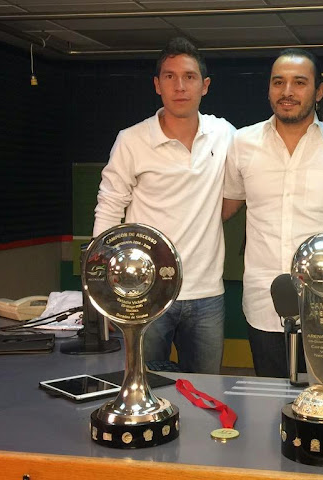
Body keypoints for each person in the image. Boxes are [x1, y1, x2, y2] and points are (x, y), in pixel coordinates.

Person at [93, 37, 235, 374]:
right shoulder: (132, 140)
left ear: (205, 85)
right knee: (144, 386)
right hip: (144, 293)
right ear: (157, 85)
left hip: (206, 294)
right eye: (170, 77)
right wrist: (103, 289)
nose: (179, 86)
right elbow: (109, 208)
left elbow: (241, 187)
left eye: (189, 77)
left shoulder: (225, 134)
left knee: (205, 390)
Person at [222, 48, 323, 378]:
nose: (287, 91)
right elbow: (225, 207)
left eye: (299, 82)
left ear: (319, 91)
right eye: (278, 82)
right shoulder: (242, 142)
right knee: (271, 401)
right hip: (263, 302)